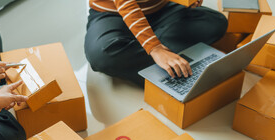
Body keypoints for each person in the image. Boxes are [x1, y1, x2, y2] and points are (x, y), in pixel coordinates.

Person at [85, 0, 228, 87]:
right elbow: (125, 3)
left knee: (216, 22)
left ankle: (140, 46)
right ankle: (162, 57)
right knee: (102, 55)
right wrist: (155, 48)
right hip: (112, 13)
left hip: (161, 9)